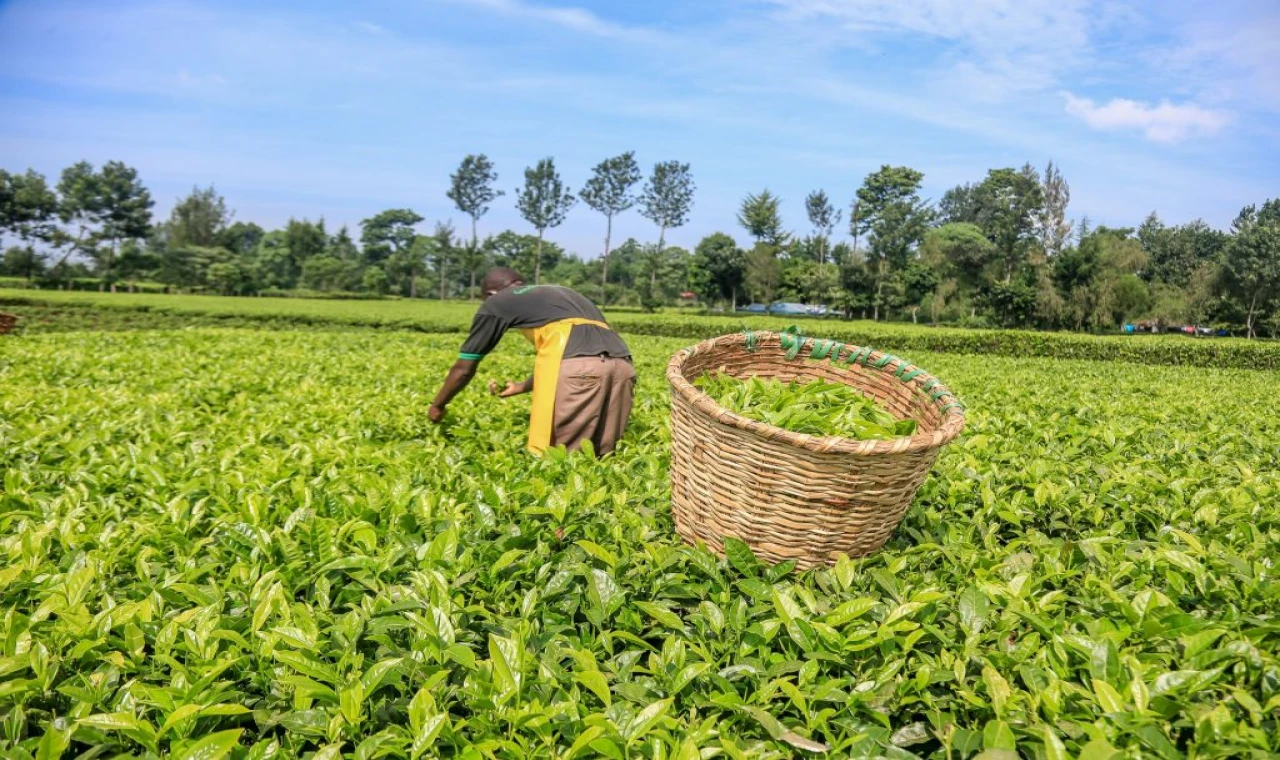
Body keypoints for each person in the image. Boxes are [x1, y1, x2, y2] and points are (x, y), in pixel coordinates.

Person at [427, 267, 636, 455]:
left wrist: (438, 405)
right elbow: (583, 355)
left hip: (578, 367)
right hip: (622, 365)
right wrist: (520, 387)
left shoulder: (498, 301)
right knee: (603, 452)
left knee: (560, 457)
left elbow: (464, 368)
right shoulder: (561, 294)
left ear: (491, 293)